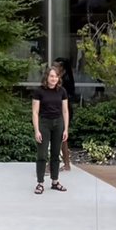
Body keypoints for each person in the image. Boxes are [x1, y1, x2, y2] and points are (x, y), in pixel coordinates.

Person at [31, 65, 69, 194]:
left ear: (59, 78)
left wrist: (66, 129)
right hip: (44, 123)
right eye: (51, 76)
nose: (54, 79)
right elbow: (35, 112)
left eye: (56, 76)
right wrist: (37, 130)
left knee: (55, 154)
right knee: (42, 154)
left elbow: (65, 111)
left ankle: (55, 181)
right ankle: (40, 183)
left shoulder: (62, 91)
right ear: (47, 77)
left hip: (58, 123)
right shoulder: (39, 91)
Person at [52, 57, 76, 171]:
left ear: (61, 68)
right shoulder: (61, 78)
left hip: (63, 110)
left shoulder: (64, 80)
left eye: (55, 66)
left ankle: (55, 164)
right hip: (59, 109)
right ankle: (66, 163)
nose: (53, 68)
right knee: (62, 138)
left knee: (59, 137)